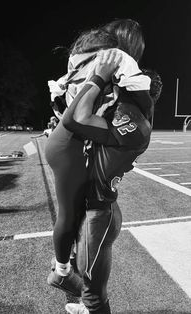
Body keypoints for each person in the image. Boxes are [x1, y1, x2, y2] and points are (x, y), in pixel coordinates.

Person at [45, 18, 154, 306]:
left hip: (95, 198)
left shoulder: (132, 129)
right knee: (92, 289)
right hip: (96, 198)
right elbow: (78, 116)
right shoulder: (126, 119)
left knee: (87, 278)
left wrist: (99, 76)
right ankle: (65, 275)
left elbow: (75, 117)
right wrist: (100, 75)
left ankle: (65, 273)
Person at [62, 53, 162, 314]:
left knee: (93, 285)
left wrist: (98, 77)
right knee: (85, 274)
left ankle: (92, 306)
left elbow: (75, 120)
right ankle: (87, 305)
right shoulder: (130, 112)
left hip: (100, 212)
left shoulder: (133, 120)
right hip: (95, 206)